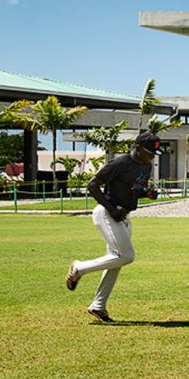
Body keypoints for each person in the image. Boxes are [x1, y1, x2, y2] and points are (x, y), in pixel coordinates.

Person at [65, 131, 162, 323]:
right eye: (149, 152)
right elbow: (93, 185)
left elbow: (135, 189)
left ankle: (98, 306)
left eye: (154, 154)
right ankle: (79, 268)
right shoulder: (120, 163)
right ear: (138, 148)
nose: (151, 156)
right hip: (107, 214)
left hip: (124, 216)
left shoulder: (146, 165)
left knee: (115, 261)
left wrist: (147, 194)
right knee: (126, 256)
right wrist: (111, 209)